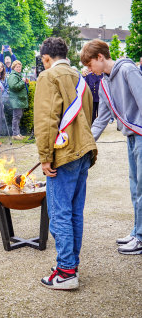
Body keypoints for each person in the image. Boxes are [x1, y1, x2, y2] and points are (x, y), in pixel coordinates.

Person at [34, 37, 97, 290]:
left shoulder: (48, 77)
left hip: (64, 154)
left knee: (59, 212)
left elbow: (46, 119)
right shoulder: (80, 78)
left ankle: (66, 272)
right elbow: (88, 115)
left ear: (46, 57)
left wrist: (45, 156)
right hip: (83, 151)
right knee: (74, 212)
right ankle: (71, 264)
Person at [84, 39, 142, 255]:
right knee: (135, 187)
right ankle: (138, 231)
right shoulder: (105, 82)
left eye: (90, 65)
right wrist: (86, 143)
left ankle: (141, 237)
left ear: (100, 57)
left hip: (141, 134)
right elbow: (102, 118)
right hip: (131, 137)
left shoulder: (128, 70)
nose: (89, 70)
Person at [8, 60, 28, 140]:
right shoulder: (13, 76)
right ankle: (15, 134)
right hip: (17, 100)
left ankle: (18, 133)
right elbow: (14, 86)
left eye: (20, 67)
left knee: (18, 117)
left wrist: (25, 83)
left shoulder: (17, 75)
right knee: (16, 117)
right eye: (17, 67)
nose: (19, 68)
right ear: (13, 67)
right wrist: (22, 82)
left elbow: (19, 86)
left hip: (19, 99)